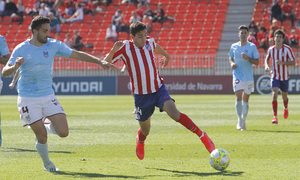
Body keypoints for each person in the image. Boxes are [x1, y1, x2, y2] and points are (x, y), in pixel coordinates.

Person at [1, 16, 116, 172]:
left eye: (49, 30)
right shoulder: (21, 49)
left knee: (64, 132)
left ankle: (43, 123)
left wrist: (100, 61)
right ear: (35, 31)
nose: (48, 34)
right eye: (44, 31)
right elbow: (5, 71)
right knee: (42, 137)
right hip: (28, 98)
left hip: (48, 96)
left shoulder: (53, 45)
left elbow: (77, 54)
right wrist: (15, 66)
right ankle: (47, 163)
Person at [103, 21, 215, 160]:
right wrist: (113, 50)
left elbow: (156, 47)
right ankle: (141, 140)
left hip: (158, 89)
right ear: (132, 36)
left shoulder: (149, 42)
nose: (144, 39)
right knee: (146, 130)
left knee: (174, 113)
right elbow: (105, 65)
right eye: (140, 36)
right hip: (141, 96)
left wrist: (166, 56)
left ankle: (202, 136)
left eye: (145, 35)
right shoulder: (125, 47)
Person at [228, 25, 259, 131]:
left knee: (246, 99)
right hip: (237, 75)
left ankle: (243, 120)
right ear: (239, 34)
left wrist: (247, 58)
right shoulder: (234, 46)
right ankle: (239, 120)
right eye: (241, 33)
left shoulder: (252, 46)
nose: (243, 34)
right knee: (238, 96)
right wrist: (232, 63)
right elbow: (230, 56)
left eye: (245, 33)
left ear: (248, 34)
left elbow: (257, 62)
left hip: (248, 76)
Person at [264, 29, 296, 124]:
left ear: (283, 39)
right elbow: (266, 59)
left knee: (284, 96)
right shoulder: (271, 49)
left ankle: (285, 107)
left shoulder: (287, 49)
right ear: (274, 38)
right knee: (274, 94)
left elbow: (293, 62)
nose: (278, 39)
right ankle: (275, 117)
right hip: (274, 75)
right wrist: (266, 65)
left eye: (280, 37)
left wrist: (283, 63)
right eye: (277, 37)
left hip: (284, 77)